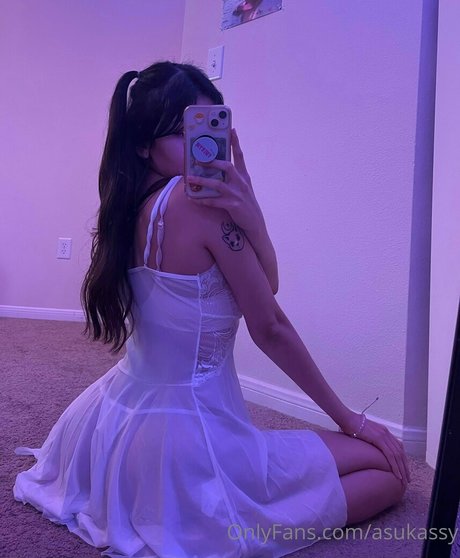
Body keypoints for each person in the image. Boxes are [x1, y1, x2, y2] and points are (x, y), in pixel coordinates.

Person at [13, 60, 411, 558]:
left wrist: (250, 212)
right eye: (184, 132)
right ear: (144, 144)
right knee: (389, 470)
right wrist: (349, 418)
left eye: (208, 129)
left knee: (364, 462)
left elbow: (266, 285)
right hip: (192, 442)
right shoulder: (193, 201)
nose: (202, 148)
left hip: (115, 420)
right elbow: (270, 324)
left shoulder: (129, 203)